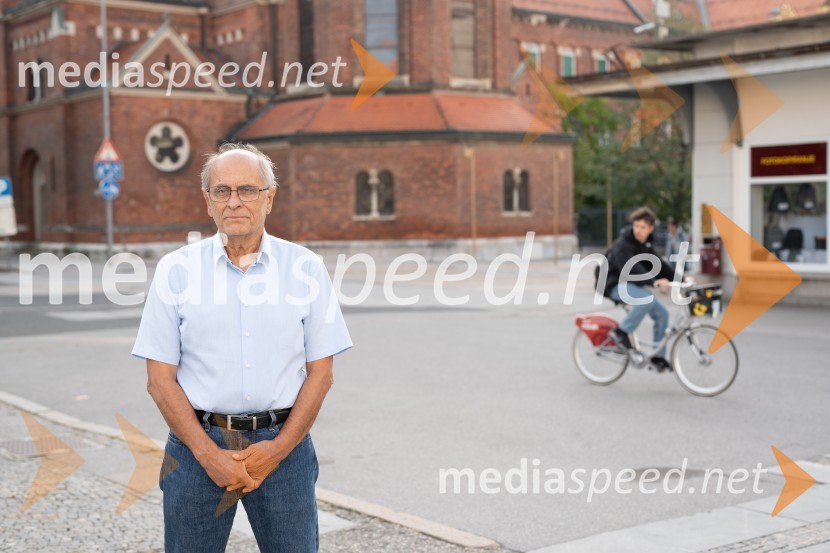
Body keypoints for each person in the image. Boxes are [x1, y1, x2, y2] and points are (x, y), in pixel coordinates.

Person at [132, 142, 352, 552]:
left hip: (284, 448)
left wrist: (279, 448)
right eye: (222, 191)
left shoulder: (306, 268)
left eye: (247, 190)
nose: (234, 201)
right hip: (196, 447)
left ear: (270, 198)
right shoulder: (175, 271)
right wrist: (206, 452)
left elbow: (322, 373)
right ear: (208, 201)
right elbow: (159, 380)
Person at [601, 207, 675, 373]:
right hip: (613, 284)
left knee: (663, 313)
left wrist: (681, 279)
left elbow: (658, 264)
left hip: (631, 284)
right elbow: (631, 269)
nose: (638, 230)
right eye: (636, 226)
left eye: (642, 227)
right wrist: (655, 282)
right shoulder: (623, 244)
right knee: (646, 300)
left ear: (650, 229)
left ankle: (658, 357)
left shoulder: (645, 244)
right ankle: (620, 332)